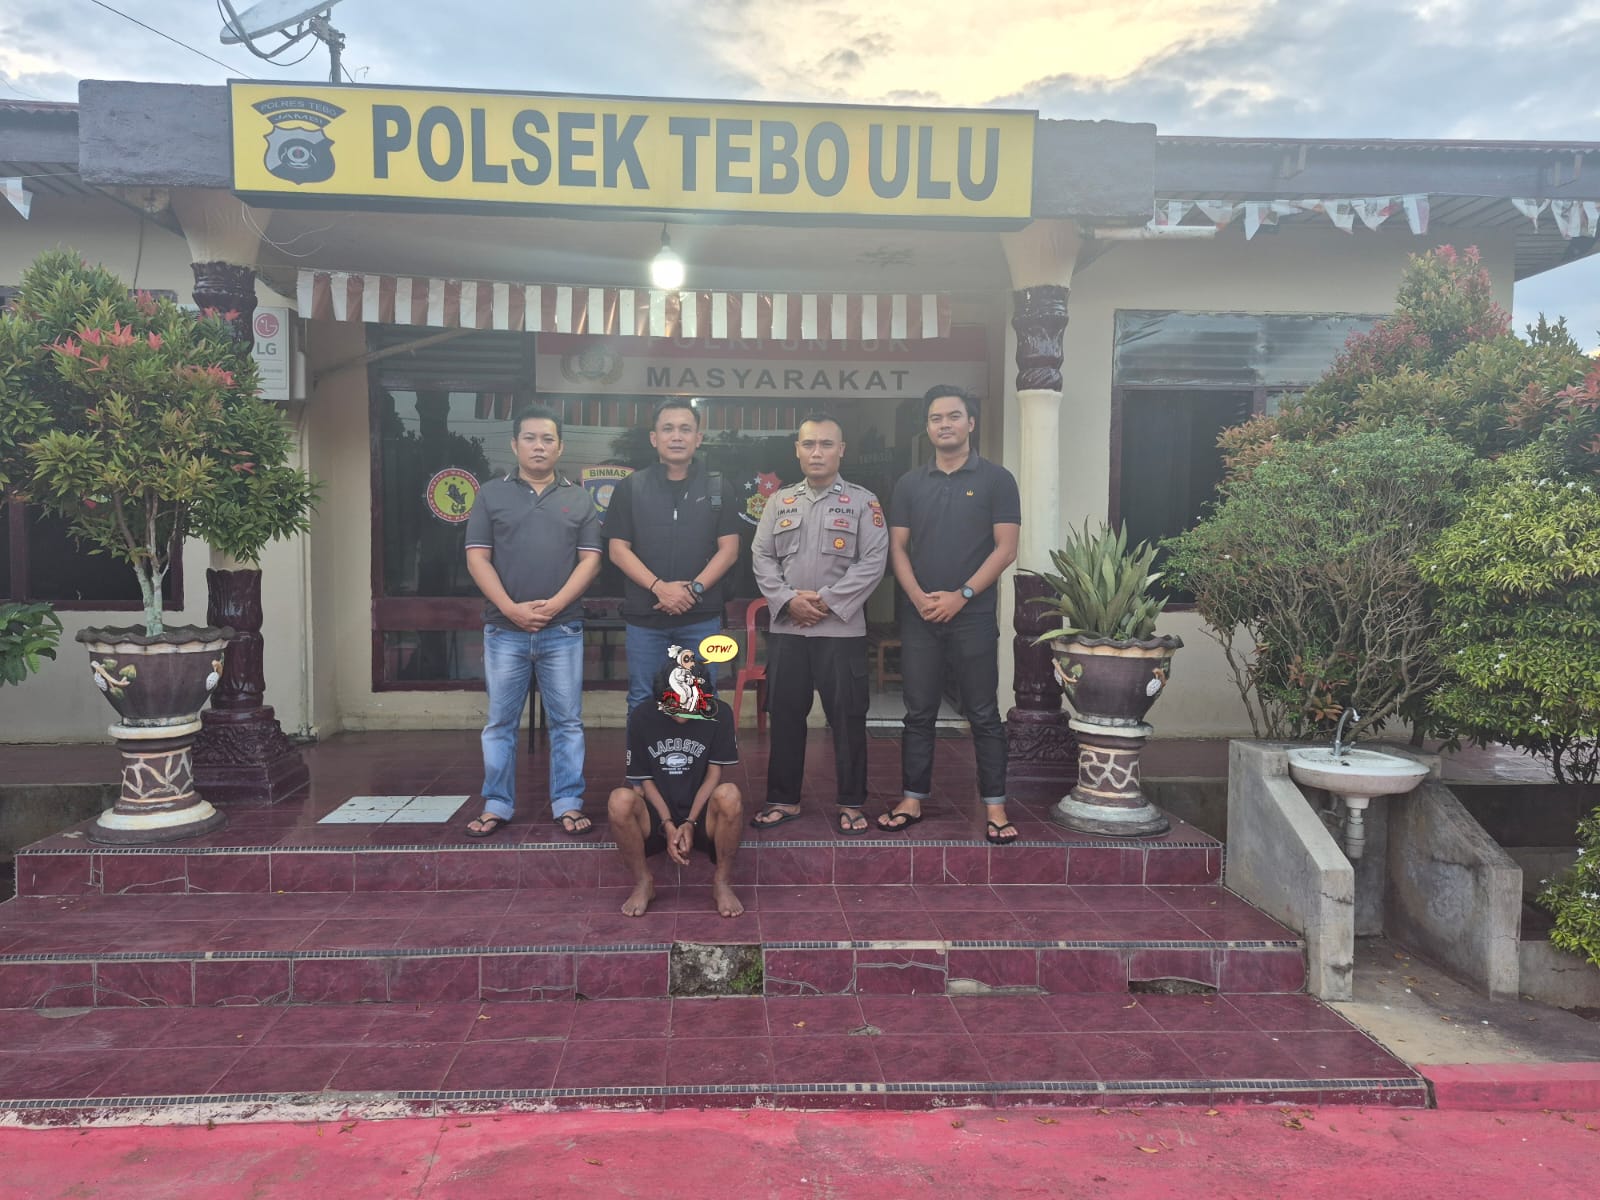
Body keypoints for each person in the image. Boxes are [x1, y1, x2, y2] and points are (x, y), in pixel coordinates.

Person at [879, 385, 1021, 843]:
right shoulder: (909, 484)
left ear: (971, 423)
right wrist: (918, 597)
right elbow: (897, 548)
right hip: (920, 615)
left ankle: (995, 806)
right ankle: (911, 798)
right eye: (936, 418)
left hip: (973, 615)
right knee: (918, 711)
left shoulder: (997, 480)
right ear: (927, 427)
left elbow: (1006, 549)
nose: (945, 424)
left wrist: (962, 595)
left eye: (954, 416)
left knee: (983, 712)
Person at [463, 405, 603, 839]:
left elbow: (590, 561)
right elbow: (477, 558)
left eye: (547, 439)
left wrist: (554, 606)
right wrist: (510, 608)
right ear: (514, 444)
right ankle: (497, 803)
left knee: (567, 723)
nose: (538, 446)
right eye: (530, 438)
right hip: (504, 630)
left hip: (563, 630)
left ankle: (568, 802)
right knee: (500, 723)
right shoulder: (490, 494)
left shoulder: (579, 499)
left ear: (560, 447)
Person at [749, 413, 889, 836]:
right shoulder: (779, 501)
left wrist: (826, 602)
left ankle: (851, 803)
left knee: (848, 719)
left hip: (841, 632)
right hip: (789, 631)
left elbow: (873, 561)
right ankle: (783, 799)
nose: (817, 452)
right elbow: (761, 556)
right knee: (785, 716)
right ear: (797, 450)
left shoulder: (864, 502)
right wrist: (787, 601)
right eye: (809, 444)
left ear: (841, 450)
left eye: (826, 444)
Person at [603, 399, 743, 712]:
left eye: (685, 429)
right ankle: (646, 750)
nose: (676, 436)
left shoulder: (718, 487)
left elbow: (729, 550)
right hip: (645, 617)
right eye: (668, 429)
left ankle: (695, 750)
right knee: (642, 700)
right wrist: (659, 588)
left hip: (701, 617)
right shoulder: (631, 487)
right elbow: (617, 550)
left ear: (698, 438)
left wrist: (692, 590)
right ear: (654, 438)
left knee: (700, 699)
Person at [607, 647, 745, 918]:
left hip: (702, 814)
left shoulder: (719, 714)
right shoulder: (642, 716)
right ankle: (644, 882)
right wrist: (668, 824)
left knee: (730, 794)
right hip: (656, 814)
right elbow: (645, 780)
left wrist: (690, 822)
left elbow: (714, 775)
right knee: (619, 799)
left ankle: (722, 882)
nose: (680, 712)